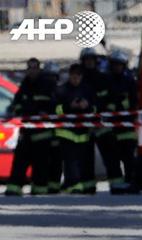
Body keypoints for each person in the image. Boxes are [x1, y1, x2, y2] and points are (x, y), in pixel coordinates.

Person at [5, 58, 57, 196]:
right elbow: (16, 103)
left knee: (41, 164)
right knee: (19, 162)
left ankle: (39, 190)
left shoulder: (47, 84)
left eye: (34, 68)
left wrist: (41, 111)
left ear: (39, 69)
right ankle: (14, 188)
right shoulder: (25, 84)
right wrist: (17, 110)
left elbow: (53, 105)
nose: (32, 71)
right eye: (30, 68)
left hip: (42, 133)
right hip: (26, 131)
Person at [102, 49, 139, 194]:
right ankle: (116, 186)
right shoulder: (107, 80)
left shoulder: (129, 81)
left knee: (129, 159)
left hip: (127, 127)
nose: (117, 67)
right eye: (114, 64)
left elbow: (134, 102)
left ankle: (131, 184)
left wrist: (119, 104)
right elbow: (103, 100)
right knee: (112, 160)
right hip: (111, 128)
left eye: (119, 64)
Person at [55, 63, 95, 194]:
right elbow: (56, 109)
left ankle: (88, 186)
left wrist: (87, 106)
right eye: (73, 75)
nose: (75, 78)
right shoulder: (62, 90)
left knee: (86, 161)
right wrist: (69, 106)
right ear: (69, 75)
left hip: (84, 133)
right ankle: (73, 185)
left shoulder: (87, 90)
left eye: (78, 76)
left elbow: (96, 108)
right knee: (70, 161)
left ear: (81, 76)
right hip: (67, 132)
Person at [78, 47, 109, 194]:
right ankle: (88, 186)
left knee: (110, 156)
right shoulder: (79, 80)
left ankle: (117, 185)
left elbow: (107, 100)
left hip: (102, 123)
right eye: (87, 60)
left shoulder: (103, 78)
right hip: (84, 124)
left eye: (92, 60)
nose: (89, 62)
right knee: (86, 157)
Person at [42, 61, 63, 194]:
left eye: (52, 77)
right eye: (48, 77)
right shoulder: (40, 91)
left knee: (56, 162)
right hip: (42, 135)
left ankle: (54, 187)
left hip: (58, 134)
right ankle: (42, 185)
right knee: (43, 162)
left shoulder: (60, 92)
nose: (50, 80)